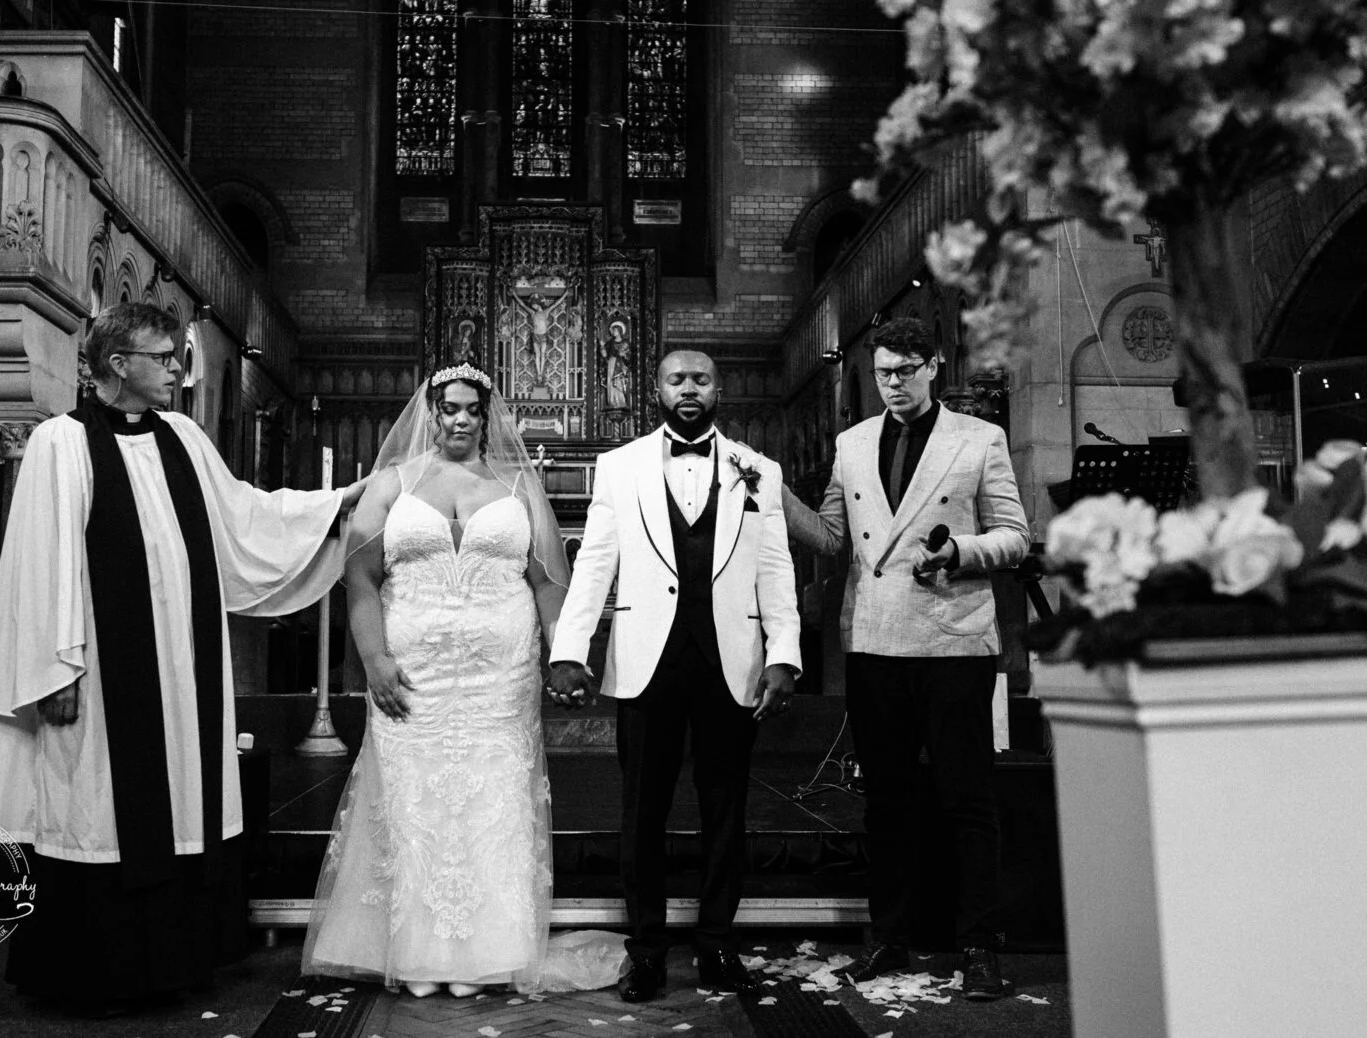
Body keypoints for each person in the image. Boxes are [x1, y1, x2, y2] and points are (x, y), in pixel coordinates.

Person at [0, 303, 367, 1012]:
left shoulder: (183, 437)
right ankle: (95, 973)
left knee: (181, 798)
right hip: (94, 674)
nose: (176, 371)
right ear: (118, 363)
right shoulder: (62, 444)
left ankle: (173, 963)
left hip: (181, 670)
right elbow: (40, 561)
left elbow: (243, 516)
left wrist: (335, 505)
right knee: (101, 807)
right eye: (163, 357)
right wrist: (51, 667)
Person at [302, 362, 622, 996]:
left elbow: (548, 586)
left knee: (491, 803)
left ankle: (485, 954)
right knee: (413, 804)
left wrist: (565, 658)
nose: (461, 419)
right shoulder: (391, 483)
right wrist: (373, 660)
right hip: (412, 672)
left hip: (498, 678)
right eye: (449, 408)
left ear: (487, 415)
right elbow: (359, 579)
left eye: (473, 409)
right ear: (430, 412)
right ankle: (418, 955)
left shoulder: (516, 484)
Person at [779, 317, 1029, 1001]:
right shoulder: (852, 443)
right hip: (876, 641)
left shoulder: (979, 440)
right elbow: (833, 539)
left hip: (951, 639)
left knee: (966, 798)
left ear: (934, 367)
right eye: (883, 373)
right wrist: (775, 492)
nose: (892, 384)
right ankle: (888, 936)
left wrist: (959, 552)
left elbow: (1015, 536)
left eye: (905, 371)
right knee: (885, 802)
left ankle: (979, 945)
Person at [547, 350, 801, 1003]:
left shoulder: (759, 471)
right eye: (676, 379)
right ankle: (649, 951)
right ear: (656, 388)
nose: (689, 389)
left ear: (719, 388)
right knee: (642, 815)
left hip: (732, 663)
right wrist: (569, 649)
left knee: (726, 813)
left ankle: (718, 944)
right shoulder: (619, 466)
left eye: (702, 379)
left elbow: (775, 570)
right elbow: (594, 564)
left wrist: (784, 653)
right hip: (645, 663)